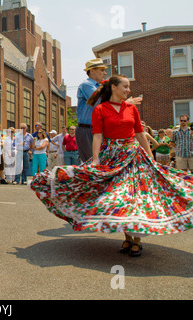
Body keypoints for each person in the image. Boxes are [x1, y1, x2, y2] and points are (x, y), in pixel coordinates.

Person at [30, 75, 193, 258]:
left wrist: (150, 157)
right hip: (112, 157)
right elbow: (98, 136)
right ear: (114, 87)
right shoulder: (100, 109)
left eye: (129, 87)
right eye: (125, 86)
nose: (128, 90)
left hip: (133, 156)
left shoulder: (131, 108)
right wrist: (96, 160)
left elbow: (140, 134)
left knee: (136, 196)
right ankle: (127, 236)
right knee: (119, 196)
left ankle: (137, 240)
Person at [76, 59, 142, 163]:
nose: (105, 73)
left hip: (100, 131)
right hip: (87, 130)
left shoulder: (102, 87)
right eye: (102, 70)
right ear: (92, 71)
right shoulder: (86, 85)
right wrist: (125, 103)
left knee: (105, 164)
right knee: (93, 163)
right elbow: (99, 102)